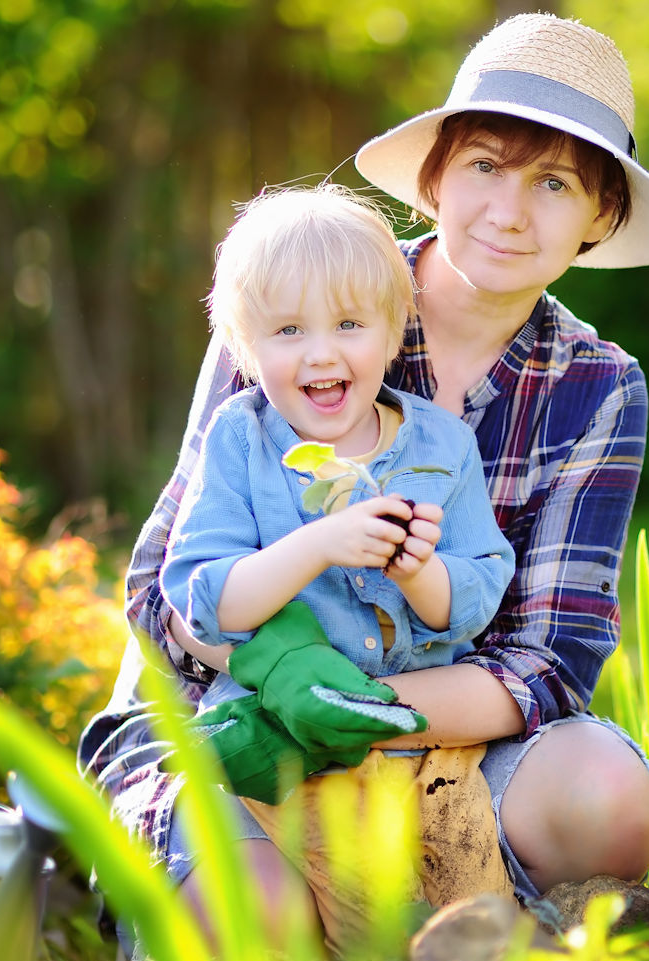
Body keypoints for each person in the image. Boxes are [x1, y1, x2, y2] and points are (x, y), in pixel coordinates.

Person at [79, 11, 649, 960]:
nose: (509, 210)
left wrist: (362, 709)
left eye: (555, 182)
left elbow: (551, 659)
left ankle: (459, 935)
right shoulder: (302, 299)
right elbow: (164, 585)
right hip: (233, 713)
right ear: (436, 175)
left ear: (599, 218)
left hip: (442, 734)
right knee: (257, 929)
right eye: (486, 164)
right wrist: (291, 680)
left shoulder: (597, 386)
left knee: (606, 799)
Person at [160, 185, 515, 738]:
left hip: (419, 741)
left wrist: (418, 572)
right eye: (288, 330)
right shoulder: (241, 436)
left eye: (349, 325)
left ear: (394, 328)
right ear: (246, 346)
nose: (321, 352)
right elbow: (205, 601)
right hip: (273, 731)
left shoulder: (444, 445)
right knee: (240, 824)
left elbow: (477, 602)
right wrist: (321, 544)